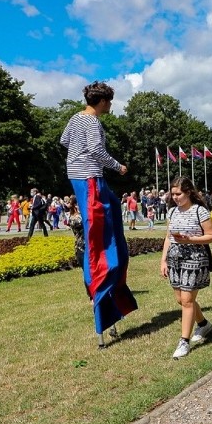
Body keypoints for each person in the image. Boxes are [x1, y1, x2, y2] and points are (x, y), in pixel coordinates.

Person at [60, 80, 137, 348]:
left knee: (110, 221)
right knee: (100, 243)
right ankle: (104, 294)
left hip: (79, 178)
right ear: (102, 101)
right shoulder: (92, 122)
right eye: (110, 102)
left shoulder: (75, 118)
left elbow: (64, 140)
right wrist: (118, 166)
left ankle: (114, 298)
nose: (111, 106)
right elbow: (95, 150)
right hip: (90, 177)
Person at [161, 177, 212, 359]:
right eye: (173, 193)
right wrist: (163, 261)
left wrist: (189, 239)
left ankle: (184, 341)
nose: (175, 197)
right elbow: (168, 237)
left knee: (186, 300)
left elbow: (211, 235)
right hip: (175, 258)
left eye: (179, 194)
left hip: (194, 258)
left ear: (188, 192)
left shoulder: (199, 211)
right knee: (181, 299)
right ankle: (203, 324)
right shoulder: (171, 212)